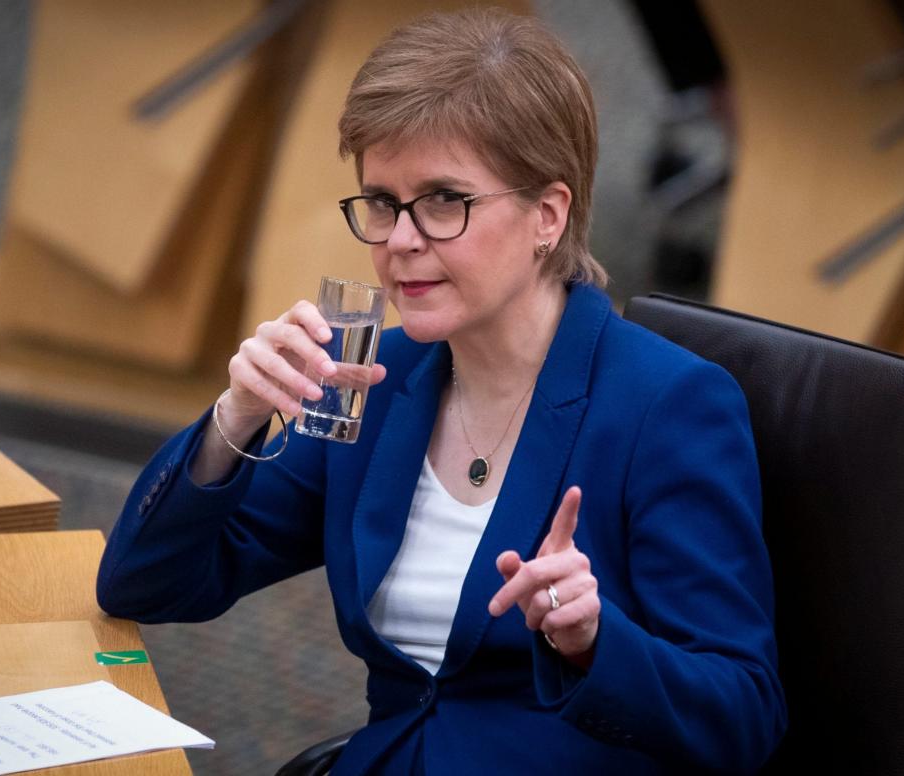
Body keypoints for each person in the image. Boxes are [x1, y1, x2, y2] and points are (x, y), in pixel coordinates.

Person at [97, 8, 786, 774]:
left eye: (443, 202)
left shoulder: (670, 407)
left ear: (547, 216)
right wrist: (236, 418)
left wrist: (597, 642)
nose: (399, 241)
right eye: (383, 202)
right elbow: (143, 582)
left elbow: (744, 717)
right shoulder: (372, 382)